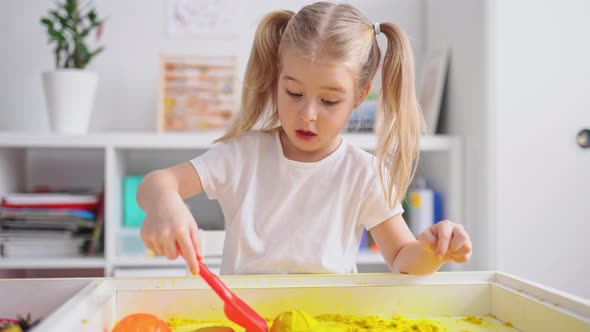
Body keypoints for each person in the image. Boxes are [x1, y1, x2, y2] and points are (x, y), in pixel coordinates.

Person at [137, 2, 472, 276]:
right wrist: (165, 203)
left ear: (359, 96)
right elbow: (157, 183)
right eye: (294, 92)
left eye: (329, 101)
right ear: (276, 78)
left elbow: (401, 257)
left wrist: (432, 251)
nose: (308, 114)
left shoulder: (364, 172)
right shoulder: (242, 156)